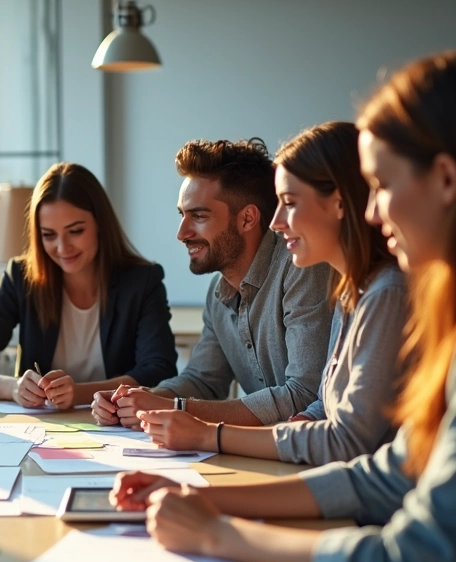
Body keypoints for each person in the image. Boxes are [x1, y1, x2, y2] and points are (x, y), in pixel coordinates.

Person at [111, 52, 456, 562]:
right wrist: (209, 501)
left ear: (446, 179)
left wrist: (221, 535)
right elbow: (388, 472)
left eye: (382, 186)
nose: (371, 211)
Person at [133, 123, 406, 465]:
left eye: (289, 203)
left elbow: (331, 423)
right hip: (308, 466)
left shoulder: (347, 282)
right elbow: (320, 405)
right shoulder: (349, 289)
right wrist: (145, 401)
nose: (276, 222)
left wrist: (197, 425)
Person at [91, 138, 334, 427]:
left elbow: (304, 395)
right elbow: (203, 380)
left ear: (247, 219)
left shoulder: (301, 268)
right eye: (182, 215)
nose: (182, 233)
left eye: (199, 216)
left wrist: (175, 407)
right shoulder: (219, 293)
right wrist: (140, 400)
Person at [0, 162, 178, 409]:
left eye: (75, 231)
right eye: (48, 235)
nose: (62, 247)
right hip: (41, 432)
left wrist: (80, 393)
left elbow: (159, 370)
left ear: (101, 224)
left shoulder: (142, 280)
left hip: (117, 426)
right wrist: (12, 387)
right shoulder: (21, 277)